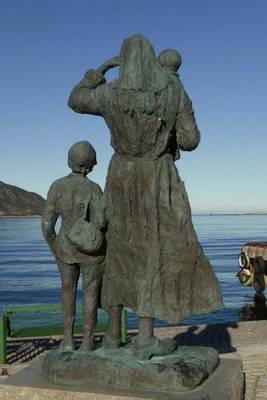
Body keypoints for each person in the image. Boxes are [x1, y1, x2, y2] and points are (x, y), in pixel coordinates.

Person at [68, 34, 223, 360]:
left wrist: (101, 70)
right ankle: (145, 338)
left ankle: (112, 335)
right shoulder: (172, 89)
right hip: (157, 178)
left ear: (124, 60)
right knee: (154, 251)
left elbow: (76, 98)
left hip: (122, 178)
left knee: (118, 248)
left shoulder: (110, 94)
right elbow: (191, 140)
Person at [42, 141, 106, 351]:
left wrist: (56, 250)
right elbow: (102, 222)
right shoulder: (94, 188)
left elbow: (46, 226)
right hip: (91, 253)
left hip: (65, 251)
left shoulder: (57, 186)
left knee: (67, 293)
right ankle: (87, 342)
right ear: (90, 165)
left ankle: (68, 341)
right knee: (90, 295)